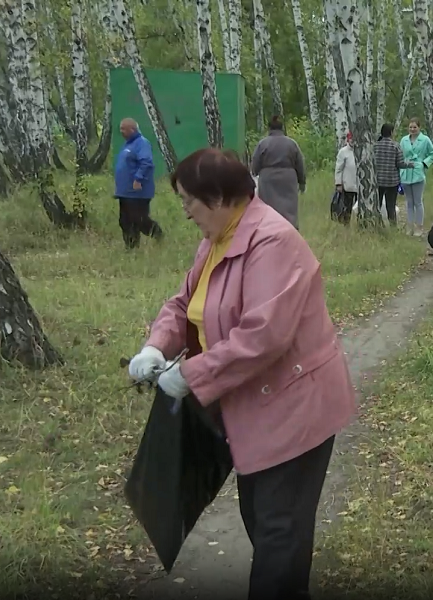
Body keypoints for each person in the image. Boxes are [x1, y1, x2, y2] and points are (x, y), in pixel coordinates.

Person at [126, 148, 357, 600]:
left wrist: (193, 374)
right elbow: (183, 303)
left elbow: (263, 337)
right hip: (252, 408)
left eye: (188, 202)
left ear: (216, 197)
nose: (185, 213)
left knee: (278, 537)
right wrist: (156, 345)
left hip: (295, 411)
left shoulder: (273, 241)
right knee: (263, 521)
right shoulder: (218, 239)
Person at [114, 118, 163, 249]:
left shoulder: (142, 143)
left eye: (123, 129)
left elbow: (146, 162)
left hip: (137, 192)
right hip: (125, 192)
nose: (121, 132)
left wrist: (138, 179)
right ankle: (131, 248)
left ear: (133, 129)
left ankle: (158, 235)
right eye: (120, 129)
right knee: (125, 221)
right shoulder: (127, 145)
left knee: (140, 220)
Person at [251, 115, 308, 229]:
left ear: (269, 129)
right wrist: (302, 182)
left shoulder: (263, 144)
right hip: (288, 178)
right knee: (289, 207)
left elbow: (255, 165)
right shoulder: (292, 144)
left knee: (268, 207)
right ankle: (289, 229)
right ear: (282, 128)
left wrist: (256, 173)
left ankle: (268, 228)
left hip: (268, 179)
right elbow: (300, 164)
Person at [399, 118, 433, 237]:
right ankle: (409, 226)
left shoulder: (425, 140)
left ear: (419, 128)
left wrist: (424, 164)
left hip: (418, 171)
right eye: (410, 127)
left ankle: (419, 227)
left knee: (418, 201)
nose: (412, 129)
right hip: (405, 171)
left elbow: (432, 153)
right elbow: (399, 154)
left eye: (415, 127)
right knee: (409, 202)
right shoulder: (404, 140)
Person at [373, 123, 414, 225]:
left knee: (376, 205)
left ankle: (378, 224)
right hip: (392, 181)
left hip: (377, 180)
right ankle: (392, 226)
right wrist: (411, 165)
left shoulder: (375, 145)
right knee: (390, 206)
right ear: (391, 132)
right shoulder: (395, 146)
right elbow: (400, 163)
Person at [333, 131, 358, 226]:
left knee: (358, 207)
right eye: (351, 139)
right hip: (348, 184)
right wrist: (338, 183)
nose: (353, 141)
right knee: (347, 207)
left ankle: (359, 224)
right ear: (348, 139)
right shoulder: (343, 152)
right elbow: (338, 169)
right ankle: (346, 224)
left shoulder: (360, 150)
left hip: (359, 185)